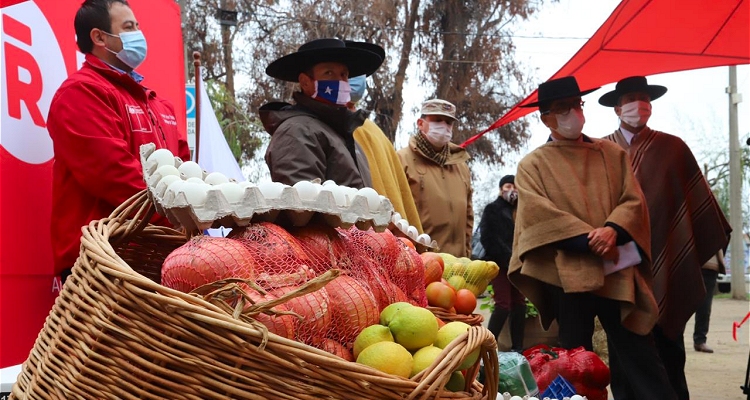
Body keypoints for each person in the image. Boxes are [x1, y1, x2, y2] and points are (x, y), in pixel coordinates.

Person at [509, 76, 676, 399]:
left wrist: (613, 230)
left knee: (640, 355)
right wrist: (589, 240)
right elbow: (539, 217)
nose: (573, 112)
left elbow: (633, 201)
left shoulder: (612, 154)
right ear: (546, 117)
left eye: (576, 104)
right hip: (568, 276)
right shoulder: (532, 165)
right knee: (573, 361)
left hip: (616, 269)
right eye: (562, 108)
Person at [600, 76, 731, 399]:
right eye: (632, 98)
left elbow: (699, 209)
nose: (639, 105)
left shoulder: (673, 148)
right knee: (623, 352)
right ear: (618, 107)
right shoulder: (600, 150)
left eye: (645, 98)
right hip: (620, 268)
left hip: (668, 265)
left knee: (669, 348)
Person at [47, 0, 190, 283]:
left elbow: (185, 170)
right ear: (99, 37)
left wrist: (199, 208)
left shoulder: (159, 104)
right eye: (128, 27)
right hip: (104, 263)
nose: (138, 33)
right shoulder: (80, 94)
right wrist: (184, 215)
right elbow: (115, 176)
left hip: (161, 257)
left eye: (137, 26)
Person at [262, 38, 384, 188]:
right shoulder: (297, 132)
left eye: (344, 74)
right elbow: (304, 207)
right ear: (305, 82)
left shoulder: (342, 134)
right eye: (329, 73)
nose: (340, 81)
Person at [344, 41, 423, 232]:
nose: (356, 80)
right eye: (347, 74)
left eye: (358, 74)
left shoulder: (373, 130)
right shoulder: (334, 127)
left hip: (382, 240)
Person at [397, 99, 473, 257]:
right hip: (419, 261)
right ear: (420, 123)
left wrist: (466, 255)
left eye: (449, 122)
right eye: (438, 120)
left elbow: (468, 216)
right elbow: (396, 214)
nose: (444, 127)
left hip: (458, 266)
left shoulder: (461, 167)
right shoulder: (401, 160)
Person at [479, 175, 526, 351]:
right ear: (501, 189)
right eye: (508, 186)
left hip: (517, 265)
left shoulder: (519, 211)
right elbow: (487, 237)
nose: (512, 189)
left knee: (519, 304)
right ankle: (487, 345)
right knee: (503, 304)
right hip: (500, 264)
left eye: (516, 186)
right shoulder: (492, 209)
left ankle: (518, 348)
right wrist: (506, 257)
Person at [693, 250, 725, 353]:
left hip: (709, 264)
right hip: (688, 262)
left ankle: (700, 340)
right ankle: (673, 338)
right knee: (681, 304)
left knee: (705, 305)